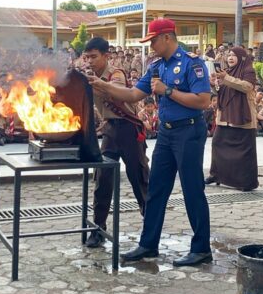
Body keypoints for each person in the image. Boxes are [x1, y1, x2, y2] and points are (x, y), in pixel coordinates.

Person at [89, 18, 213, 266]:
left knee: (191, 189)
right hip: (166, 135)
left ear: (167, 37)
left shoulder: (192, 64)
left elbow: (203, 101)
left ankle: (201, 248)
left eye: (153, 40)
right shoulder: (156, 67)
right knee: (155, 190)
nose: (151, 46)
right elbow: (134, 94)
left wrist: (168, 91)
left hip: (188, 133)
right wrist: (103, 86)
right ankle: (148, 244)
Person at [83, 37, 150, 248]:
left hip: (129, 130)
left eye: (94, 57)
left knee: (139, 179)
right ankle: (98, 229)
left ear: (106, 56)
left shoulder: (116, 74)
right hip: (111, 131)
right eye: (87, 57)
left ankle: (150, 228)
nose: (90, 61)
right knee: (103, 180)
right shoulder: (89, 76)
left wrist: (98, 84)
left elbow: (118, 93)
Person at [206, 47, 258, 191]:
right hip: (225, 116)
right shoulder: (226, 72)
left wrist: (225, 78)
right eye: (229, 55)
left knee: (244, 151)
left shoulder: (248, 70)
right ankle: (216, 175)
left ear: (241, 58)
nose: (230, 57)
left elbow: (247, 87)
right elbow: (222, 91)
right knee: (217, 144)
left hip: (243, 116)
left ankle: (245, 182)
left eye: (234, 55)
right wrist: (214, 84)